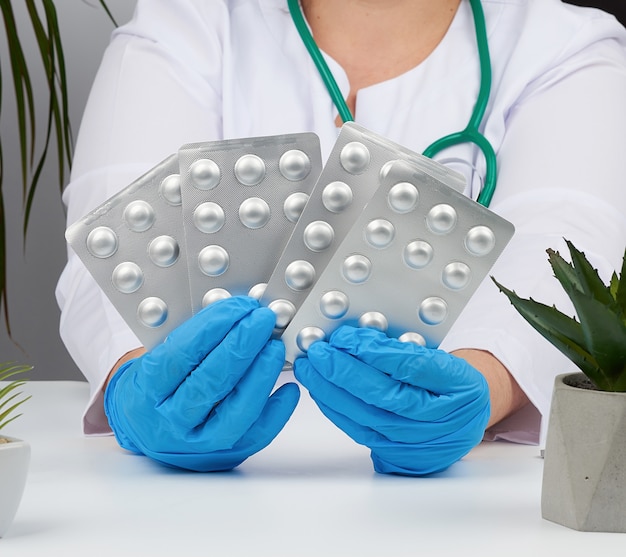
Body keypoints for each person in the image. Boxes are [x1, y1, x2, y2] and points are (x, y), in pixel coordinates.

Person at [56, 0, 626, 474]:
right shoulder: (187, 25)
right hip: (210, 504)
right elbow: (118, 238)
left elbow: (566, 242)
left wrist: (484, 385)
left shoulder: (565, 48)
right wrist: (141, 385)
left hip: (452, 502)